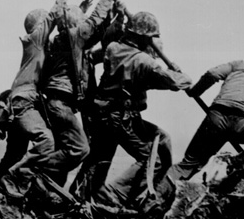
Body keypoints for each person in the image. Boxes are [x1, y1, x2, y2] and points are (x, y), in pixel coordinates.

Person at [79, 11, 192, 210]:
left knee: (102, 157)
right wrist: (178, 72)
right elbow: (175, 83)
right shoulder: (145, 62)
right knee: (154, 157)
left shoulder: (113, 48)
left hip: (102, 114)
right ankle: (114, 196)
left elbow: (101, 53)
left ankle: (83, 196)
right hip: (121, 118)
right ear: (144, 37)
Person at [0, 0, 82, 197]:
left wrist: (82, 11)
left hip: (22, 101)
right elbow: (55, 11)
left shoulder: (39, 47)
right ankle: (13, 184)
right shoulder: (36, 40)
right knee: (46, 141)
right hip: (24, 101)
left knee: (14, 154)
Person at [38, 0, 117, 187]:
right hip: (61, 104)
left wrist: (113, 17)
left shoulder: (65, 41)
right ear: (75, 24)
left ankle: (47, 190)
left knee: (65, 150)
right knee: (80, 149)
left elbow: (98, 33)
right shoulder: (73, 37)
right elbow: (92, 25)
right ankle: (32, 168)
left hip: (59, 104)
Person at [166, 55, 244, 183]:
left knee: (188, 164)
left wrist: (195, 91)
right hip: (242, 128)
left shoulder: (240, 65)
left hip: (215, 120)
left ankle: (155, 188)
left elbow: (212, 73)